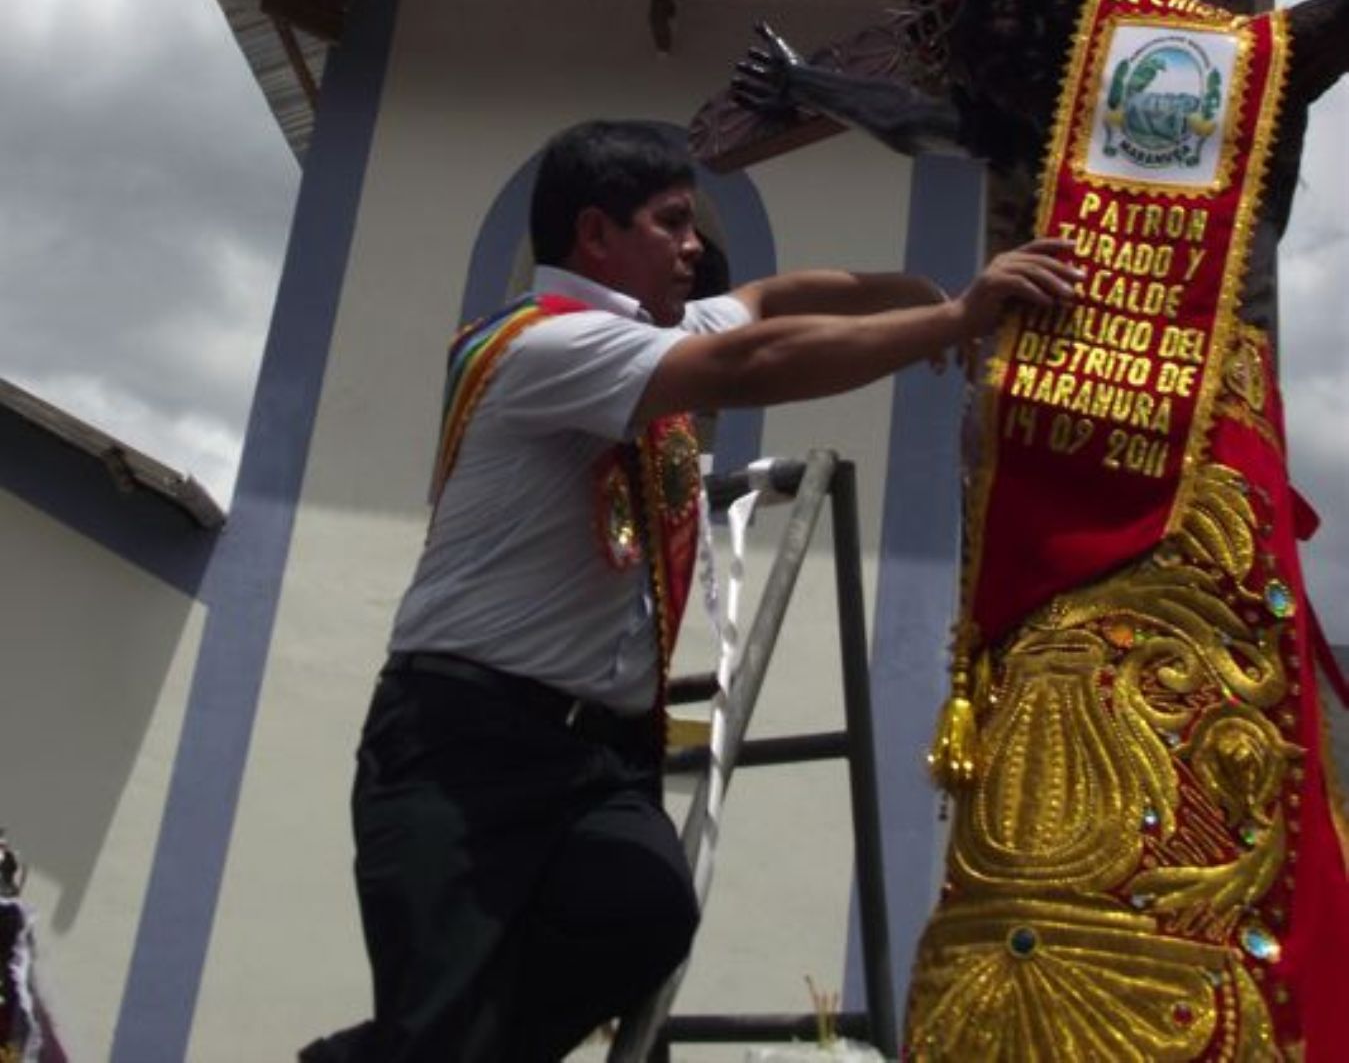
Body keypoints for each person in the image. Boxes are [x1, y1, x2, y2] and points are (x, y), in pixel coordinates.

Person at [301, 117, 1080, 1063]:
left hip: (598, 755)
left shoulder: (648, 330)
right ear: (596, 235)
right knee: (441, 1020)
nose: (695, 247)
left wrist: (913, 291)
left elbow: (770, 298)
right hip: (467, 742)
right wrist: (952, 321)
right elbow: (752, 362)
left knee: (644, 913)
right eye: (672, 223)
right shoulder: (548, 346)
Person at [730, 0, 1349, 1060]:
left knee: (1206, 728)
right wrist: (805, 83)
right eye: (981, 68)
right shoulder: (1013, 121)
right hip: (1030, 479)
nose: (1005, 91)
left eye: (1017, 56)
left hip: (1197, 465)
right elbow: (911, 120)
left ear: (1075, 25)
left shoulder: (1240, 66)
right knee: (1034, 752)